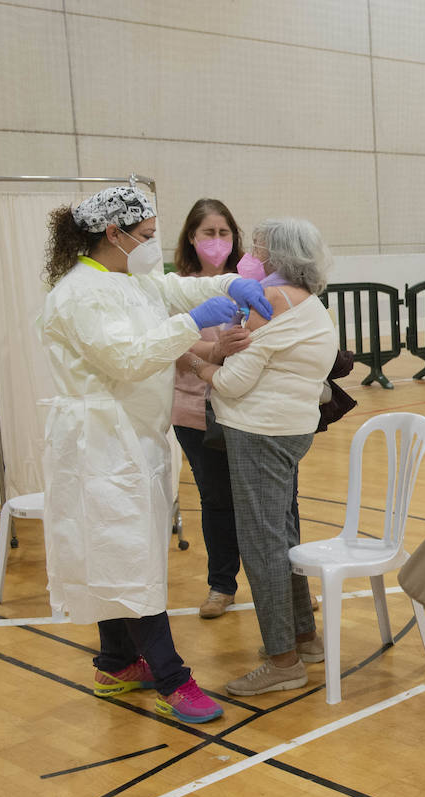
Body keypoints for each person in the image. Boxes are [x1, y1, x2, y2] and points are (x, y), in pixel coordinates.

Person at [39, 185, 273, 723]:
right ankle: (172, 677)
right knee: (128, 557)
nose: (152, 246)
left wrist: (228, 282)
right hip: (100, 443)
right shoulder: (78, 294)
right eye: (144, 237)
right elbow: (127, 357)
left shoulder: (128, 280)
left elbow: (171, 289)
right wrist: (195, 325)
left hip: (132, 437)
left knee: (120, 550)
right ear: (112, 234)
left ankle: (117, 663)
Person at [180, 219, 338, 695]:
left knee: (262, 544)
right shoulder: (307, 303)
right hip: (286, 430)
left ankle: (283, 661)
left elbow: (229, 382)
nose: (249, 254)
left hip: (260, 432)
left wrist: (189, 358)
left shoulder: (270, 303)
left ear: (277, 257)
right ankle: (304, 639)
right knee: (281, 534)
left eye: (257, 247)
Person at [171, 199, 248, 619]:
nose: (217, 241)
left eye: (224, 233)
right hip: (195, 411)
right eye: (208, 233)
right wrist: (215, 350)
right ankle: (221, 585)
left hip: (249, 411)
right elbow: (173, 344)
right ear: (191, 238)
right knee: (216, 500)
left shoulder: (248, 282)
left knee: (266, 502)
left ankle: (282, 581)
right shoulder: (175, 287)